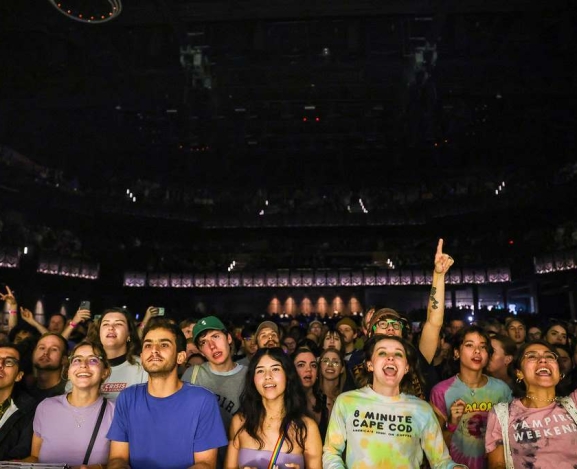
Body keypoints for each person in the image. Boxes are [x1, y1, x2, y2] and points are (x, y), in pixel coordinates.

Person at [323, 334, 464, 469]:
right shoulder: (347, 402)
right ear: (370, 365)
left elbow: (440, 460)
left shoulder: (421, 409)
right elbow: (331, 452)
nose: (390, 358)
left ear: (406, 368)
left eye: (398, 354)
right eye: (382, 353)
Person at [107, 318, 227, 469]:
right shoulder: (128, 397)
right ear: (142, 356)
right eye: (148, 345)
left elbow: (205, 464)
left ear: (180, 357)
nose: (154, 350)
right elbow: (117, 458)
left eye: (164, 345)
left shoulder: (203, 400)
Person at [225, 347, 322, 469]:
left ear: (287, 375)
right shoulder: (239, 422)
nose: (268, 376)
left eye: (275, 369)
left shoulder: (307, 427)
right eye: (260, 371)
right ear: (252, 379)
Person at [430, 326, 512, 469]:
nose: (477, 351)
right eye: (469, 345)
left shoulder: (502, 390)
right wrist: (452, 423)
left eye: (483, 347)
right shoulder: (441, 391)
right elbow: (433, 448)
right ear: (456, 352)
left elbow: (512, 439)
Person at [486, 340, 577, 468]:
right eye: (532, 356)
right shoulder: (502, 415)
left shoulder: (574, 404)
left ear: (560, 374)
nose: (543, 360)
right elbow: (498, 465)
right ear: (519, 373)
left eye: (549, 356)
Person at [23, 341, 115, 467]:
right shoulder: (46, 407)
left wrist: (99, 467)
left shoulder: (116, 412)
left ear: (105, 372)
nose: (83, 365)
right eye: (77, 360)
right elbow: (35, 457)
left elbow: (119, 462)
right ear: (68, 371)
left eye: (93, 360)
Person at [181, 315, 248, 468]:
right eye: (203, 342)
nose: (212, 346)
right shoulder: (192, 375)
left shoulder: (249, 376)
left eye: (216, 336)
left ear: (229, 338)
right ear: (201, 352)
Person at [88, 308, 148, 401]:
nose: (111, 327)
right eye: (106, 324)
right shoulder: (84, 365)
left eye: (119, 324)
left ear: (129, 334)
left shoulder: (143, 367)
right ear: (99, 333)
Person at [0, 343, 37, 460]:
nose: (0, 365)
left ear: (19, 376)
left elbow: (21, 454)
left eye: (9, 362)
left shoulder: (30, 410)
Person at [292, 346, 327, 437]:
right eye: (301, 365)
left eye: (313, 365)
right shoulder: (285, 402)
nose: (308, 369)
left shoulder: (326, 401)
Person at [28, 332, 68, 401]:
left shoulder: (69, 392)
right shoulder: (25, 389)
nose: (46, 352)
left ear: (63, 359)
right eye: (42, 348)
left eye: (54, 349)